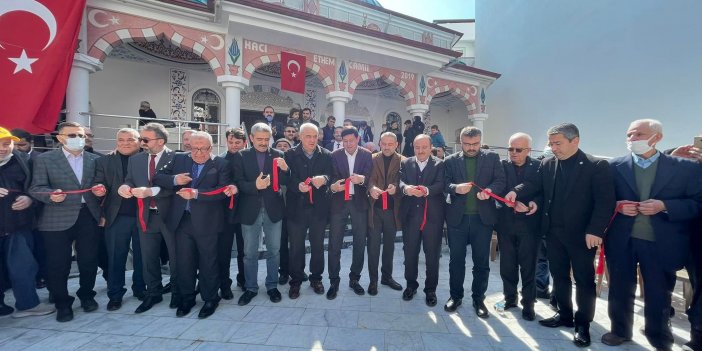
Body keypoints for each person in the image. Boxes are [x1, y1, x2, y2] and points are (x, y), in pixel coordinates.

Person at [505, 123, 615, 347]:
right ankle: (565, 314)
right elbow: (538, 189)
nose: (553, 148)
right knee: (559, 276)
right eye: (551, 144)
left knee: (584, 280)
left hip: (582, 235)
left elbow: (605, 202)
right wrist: (528, 199)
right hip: (553, 233)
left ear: (575, 141)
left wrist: (595, 230)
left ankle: (582, 323)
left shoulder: (596, 165)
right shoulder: (548, 164)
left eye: (558, 143)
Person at [602, 119, 702, 350]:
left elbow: (697, 203)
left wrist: (665, 205)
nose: (632, 139)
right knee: (619, 288)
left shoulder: (685, 168)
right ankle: (620, 330)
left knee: (659, 292)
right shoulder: (614, 166)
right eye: (629, 135)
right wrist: (617, 206)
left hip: (661, 241)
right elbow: (601, 200)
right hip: (622, 239)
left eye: (638, 134)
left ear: (656, 137)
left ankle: (658, 336)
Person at [153, 131, 234, 319]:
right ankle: (187, 298)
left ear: (211, 148)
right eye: (194, 148)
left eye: (203, 149)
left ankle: (210, 299)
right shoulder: (179, 159)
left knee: (208, 262)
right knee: (184, 262)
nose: (198, 153)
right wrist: (174, 180)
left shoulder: (221, 164)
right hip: (182, 221)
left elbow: (222, 191)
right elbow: (158, 177)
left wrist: (196, 194)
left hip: (208, 222)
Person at [29, 121, 102, 322]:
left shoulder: (95, 159)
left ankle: (87, 296)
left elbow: (99, 184)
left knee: (88, 261)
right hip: (56, 217)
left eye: (81, 135)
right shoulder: (45, 159)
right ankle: (62, 303)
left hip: (88, 215)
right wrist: (50, 195)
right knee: (58, 264)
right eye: (72, 135)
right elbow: (36, 188)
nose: (78, 139)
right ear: (60, 138)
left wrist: (100, 190)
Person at [443, 126, 506, 318]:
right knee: (456, 261)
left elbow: (501, 181)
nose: (472, 147)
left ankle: (478, 299)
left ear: (480, 141)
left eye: (475, 144)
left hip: (482, 219)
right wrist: (455, 188)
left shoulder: (492, 158)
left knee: (481, 262)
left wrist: (489, 190)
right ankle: (455, 296)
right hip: (457, 219)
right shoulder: (450, 160)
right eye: (467, 144)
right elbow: (443, 184)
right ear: (460, 142)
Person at [120, 122, 180, 313]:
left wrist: (151, 191)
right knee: (148, 257)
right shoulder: (136, 160)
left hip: (171, 216)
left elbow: (177, 186)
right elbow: (130, 179)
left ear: (160, 141)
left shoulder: (178, 158)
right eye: (141, 139)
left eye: (145, 139)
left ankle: (178, 291)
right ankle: (153, 292)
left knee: (176, 256)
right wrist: (124, 186)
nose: (141, 142)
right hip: (147, 216)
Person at [0, 127, 55, 318]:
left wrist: (30, 199)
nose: (3, 148)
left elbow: (36, 186)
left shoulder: (24, 161)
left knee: (23, 267)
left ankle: (27, 304)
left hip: (19, 226)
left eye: (7, 144)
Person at [232, 123, 289, 306]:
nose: (264, 143)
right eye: (260, 139)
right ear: (251, 138)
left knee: (274, 250)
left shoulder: (279, 155)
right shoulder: (241, 156)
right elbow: (238, 182)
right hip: (250, 210)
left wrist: (286, 169)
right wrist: (254, 186)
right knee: (249, 252)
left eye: (267, 139)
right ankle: (250, 288)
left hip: (274, 210)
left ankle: (272, 286)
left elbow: (288, 181)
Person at [92, 128, 145, 311]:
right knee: (116, 257)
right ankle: (115, 294)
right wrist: (99, 189)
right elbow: (98, 183)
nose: (125, 143)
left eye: (130, 139)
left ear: (140, 141)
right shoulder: (104, 161)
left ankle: (141, 289)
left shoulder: (148, 159)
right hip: (116, 217)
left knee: (143, 256)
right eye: (121, 140)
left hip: (144, 216)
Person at [493, 132, 541, 321]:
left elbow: (543, 191)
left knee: (528, 267)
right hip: (506, 224)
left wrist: (533, 204)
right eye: (510, 149)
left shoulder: (539, 167)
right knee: (507, 264)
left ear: (528, 150)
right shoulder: (502, 167)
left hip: (529, 226)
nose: (513, 153)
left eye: (518, 149)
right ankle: (509, 298)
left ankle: (528, 303)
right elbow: (499, 187)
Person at [285, 123, 333, 298]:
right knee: (296, 247)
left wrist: (325, 178)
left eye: (315, 136)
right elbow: (285, 178)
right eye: (308, 136)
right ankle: (296, 281)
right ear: (300, 136)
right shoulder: (290, 154)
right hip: (296, 208)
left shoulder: (326, 155)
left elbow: (332, 174)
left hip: (318, 209)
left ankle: (316, 278)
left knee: (318, 246)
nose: (312, 140)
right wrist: (297, 185)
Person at [398, 134, 445, 306]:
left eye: (424, 147)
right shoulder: (406, 162)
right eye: (417, 147)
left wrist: (426, 190)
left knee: (432, 255)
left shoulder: (440, 164)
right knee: (410, 254)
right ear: (413, 146)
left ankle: (430, 290)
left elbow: (441, 185)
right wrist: (406, 189)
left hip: (432, 218)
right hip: (410, 217)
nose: (421, 150)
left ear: (431, 146)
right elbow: (400, 182)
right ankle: (411, 285)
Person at [327, 126, 373, 299]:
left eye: (351, 141)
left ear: (358, 139)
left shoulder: (367, 155)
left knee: (360, 242)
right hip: (339, 203)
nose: (348, 144)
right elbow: (330, 177)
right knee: (334, 243)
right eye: (344, 141)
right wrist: (332, 186)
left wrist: (363, 179)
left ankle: (355, 279)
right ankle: (334, 281)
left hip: (359, 202)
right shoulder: (335, 155)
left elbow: (371, 176)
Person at [367, 132, 404, 295]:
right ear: (380, 143)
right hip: (374, 210)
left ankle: (386, 277)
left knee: (389, 246)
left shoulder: (404, 161)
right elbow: (367, 179)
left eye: (390, 144)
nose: (387, 147)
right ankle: (373, 280)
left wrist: (397, 187)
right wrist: (370, 188)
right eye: (384, 143)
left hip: (392, 210)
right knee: (373, 247)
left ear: (396, 145)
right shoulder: (371, 158)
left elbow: (405, 180)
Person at [221, 128, 248, 294]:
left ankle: (243, 279)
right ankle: (224, 283)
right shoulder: (220, 160)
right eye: (231, 142)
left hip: (245, 211)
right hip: (224, 212)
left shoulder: (249, 159)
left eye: (237, 142)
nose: (234, 145)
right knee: (223, 250)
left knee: (244, 250)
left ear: (244, 143)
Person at [273, 138, 292, 285]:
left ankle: (297, 270)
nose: (283, 148)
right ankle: (284, 271)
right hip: (278, 210)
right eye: (279, 146)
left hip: (294, 209)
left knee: (297, 243)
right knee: (281, 243)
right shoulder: (269, 163)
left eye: (286, 146)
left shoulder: (293, 163)